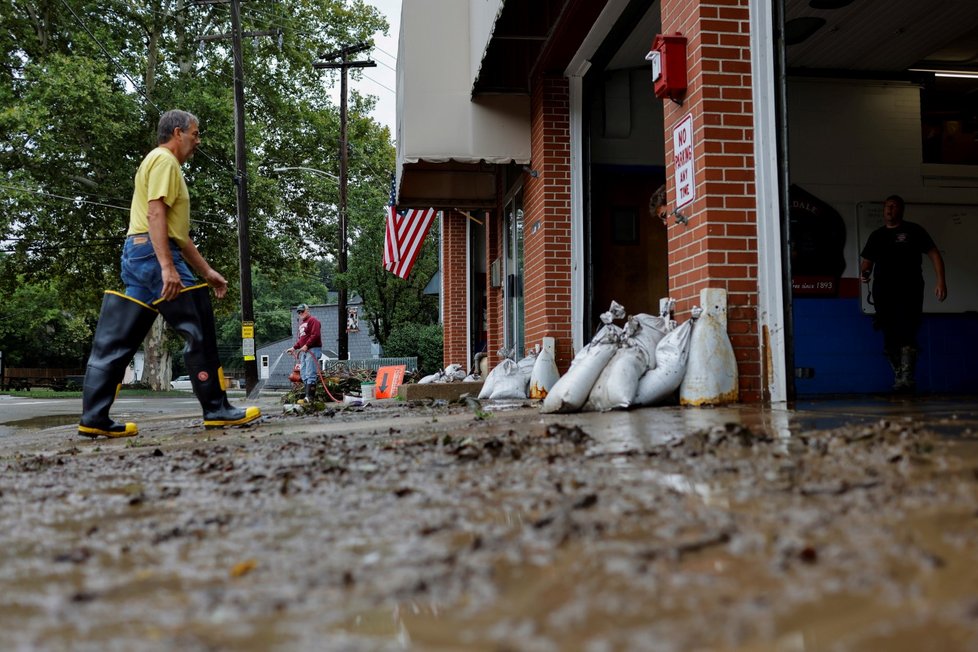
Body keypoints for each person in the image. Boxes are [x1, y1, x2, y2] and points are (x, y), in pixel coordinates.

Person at [77, 109, 261, 438]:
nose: (197, 140)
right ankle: (216, 409)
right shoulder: (164, 161)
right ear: (177, 133)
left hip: (138, 253)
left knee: (118, 339)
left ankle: (94, 417)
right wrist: (167, 267)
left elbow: (179, 234)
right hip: (152, 253)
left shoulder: (157, 162)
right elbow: (156, 212)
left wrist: (206, 271)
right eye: (195, 133)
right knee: (198, 327)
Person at [859, 195, 947, 392]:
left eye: (894, 206)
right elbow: (867, 262)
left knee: (907, 331)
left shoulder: (913, 230)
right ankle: (899, 374)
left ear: (901, 210)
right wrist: (865, 273)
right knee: (889, 335)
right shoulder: (877, 235)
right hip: (884, 291)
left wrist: (941, 280)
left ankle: (907, 378)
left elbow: (934, 253)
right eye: (887, 206)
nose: (889, 209)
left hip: (910, 289)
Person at [286, 304, 323, 403]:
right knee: (304, 374)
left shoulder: (313, 320)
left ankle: (310, 397)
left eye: (302, 311)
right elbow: (301, 340)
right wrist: (293, 348)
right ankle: (307, 396)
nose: (300, 313)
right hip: (305, 351)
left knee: (311, 373)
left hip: (313, 349)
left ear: (307, 310)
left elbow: (315, 335)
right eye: (298, 312)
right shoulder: (302, 324)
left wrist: (307, 345)